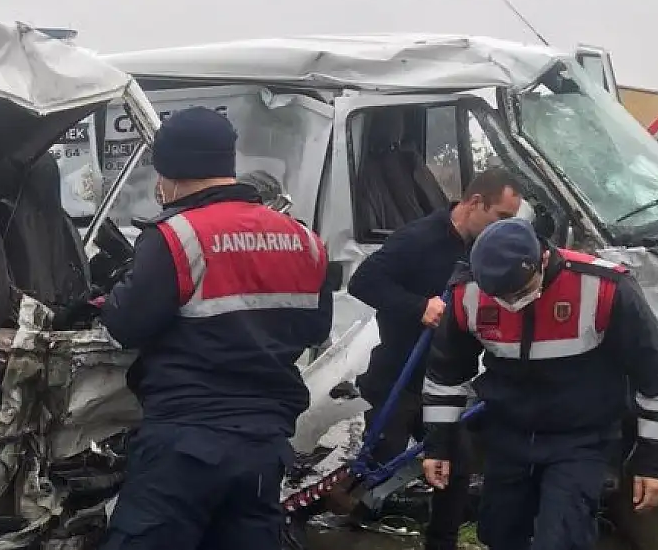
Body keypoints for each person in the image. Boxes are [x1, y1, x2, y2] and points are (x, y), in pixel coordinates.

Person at [96, 106, 334, 550]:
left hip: (187, 442)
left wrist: (104, 300)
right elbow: (314, 327)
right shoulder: (304, 239)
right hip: (266, 444)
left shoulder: (176, 236)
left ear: (169, 171)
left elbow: (126, 324)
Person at [422, 218, 658, 550]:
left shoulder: (605, 288)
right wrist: (438, 446)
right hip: (507, 435)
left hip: (580, 439)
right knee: (499, 534)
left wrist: (653, 463)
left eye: (520, 292)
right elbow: (445, 377)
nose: (512, 303)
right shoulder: (467, 293)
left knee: (561, 539)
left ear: (542, 258)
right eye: (500, 297)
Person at [347, 167, 523, 550]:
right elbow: (362, 281)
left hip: (445, 382)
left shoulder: (484, 250)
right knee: (374, 472)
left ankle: (441, 543)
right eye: (501, 218)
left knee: (455, 468)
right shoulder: (418, 238)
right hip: (399, 376)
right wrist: (417, 306)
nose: (504, 230)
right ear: (475, 203)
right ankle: (346, 529)